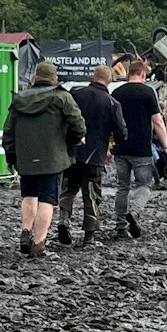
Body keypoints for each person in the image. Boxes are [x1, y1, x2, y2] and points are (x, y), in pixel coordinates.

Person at [3, 60, 84, 259]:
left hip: (25, 158)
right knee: (47, 200)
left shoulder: (19, 99)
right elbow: (79, 125)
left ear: (35, 78)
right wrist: (71, 142)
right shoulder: (62, 97)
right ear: (55, 79)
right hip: (53, 158)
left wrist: (11, 155)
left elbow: (8, 132)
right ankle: (39, 244)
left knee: (28, 195)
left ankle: (25, 230)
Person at [59, 64, 122, 246]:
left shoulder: (75, 94)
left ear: (92, 77)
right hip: (95, 154)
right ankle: (89, 235)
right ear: (109, 80)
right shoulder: (111, 103)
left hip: (71, 152)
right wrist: (112, 145)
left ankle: (64, 219)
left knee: (68, 189)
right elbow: (121, 132)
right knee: (92, 194)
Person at [110, 58, 167, 240]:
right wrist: (166, 146)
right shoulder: (148, 92)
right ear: (143, 74)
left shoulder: (117, 92)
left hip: (120, 146)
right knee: (144, 184)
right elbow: (157, 121)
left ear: (128, 74)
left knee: (122, 187)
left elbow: (111, 121)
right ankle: (134, 211)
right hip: (141, 148)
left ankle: (120, 227)